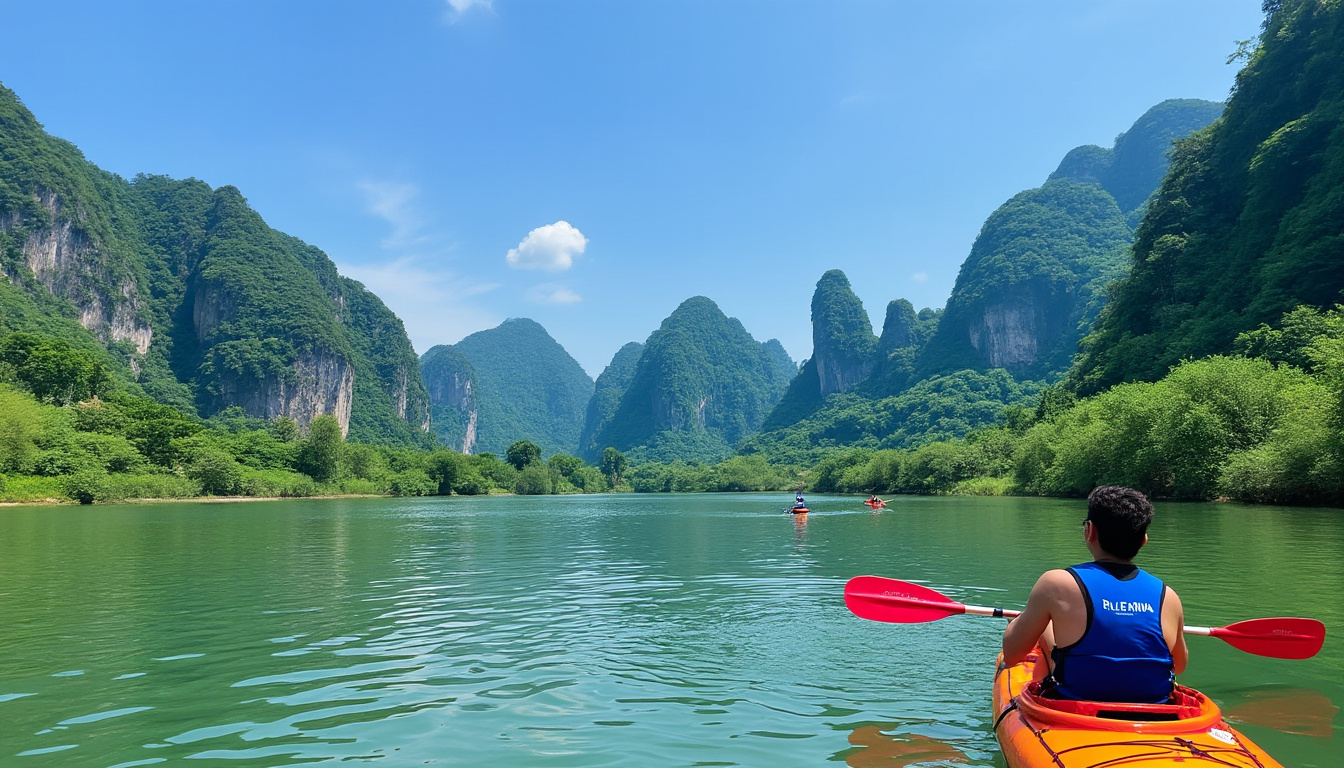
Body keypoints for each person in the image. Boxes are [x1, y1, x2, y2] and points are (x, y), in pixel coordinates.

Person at [1000, 485, 1187, 703]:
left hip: (1077, 705)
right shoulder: (1168, 596)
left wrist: (1022, 620)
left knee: (1047, 628)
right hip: (1155, 710)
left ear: (1090, 531)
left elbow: (1012, 654)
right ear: (1143, 540)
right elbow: (1179, 666)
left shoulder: (1056, 583)